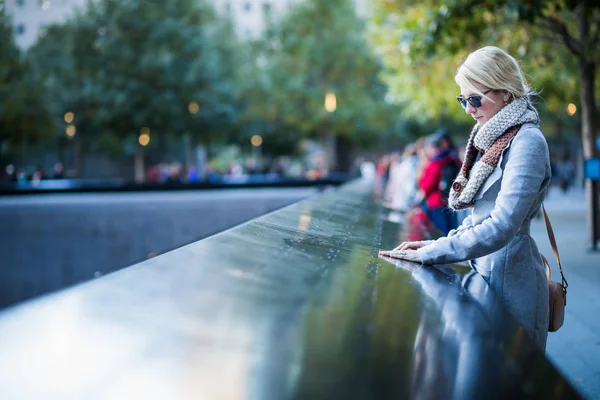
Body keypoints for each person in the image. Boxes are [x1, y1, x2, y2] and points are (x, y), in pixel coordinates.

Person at [380, 46, 551, 350]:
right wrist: (434, 244)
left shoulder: (527, 141)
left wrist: (436, 251)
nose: (469, 109)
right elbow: (479, 219)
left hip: (513, 283)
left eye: (474, 99)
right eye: (463, 100)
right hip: (484, 272)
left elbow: (502, 225)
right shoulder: (496, 137)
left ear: (505, 92)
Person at [418, 131, 461, 234]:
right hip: (451, 201)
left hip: (436, 203)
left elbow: (426, 185)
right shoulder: (453, 158)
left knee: (439, 234)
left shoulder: (436, 161)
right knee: (451, 232)